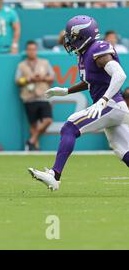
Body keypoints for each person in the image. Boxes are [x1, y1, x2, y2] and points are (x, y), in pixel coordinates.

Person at [29, 15, 129, 191]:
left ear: (83, 35)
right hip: (112, 106)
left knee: (70, 126)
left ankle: (55, 175)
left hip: (111, 104)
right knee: (123, 150)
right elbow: (91, 81)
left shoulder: (98, 49)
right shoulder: (85, 54)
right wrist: (66, 91)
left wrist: (104, 100)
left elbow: (120, 75)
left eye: (72, 37)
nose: (69, 40)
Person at [16, 41, 54, 151]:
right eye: (29, 49)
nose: (31, 52)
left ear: (36, 50)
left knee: (48, 120)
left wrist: (42, 78)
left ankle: (31, 140)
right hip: (29, 98)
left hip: (43, 95)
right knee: (33, 124)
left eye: (33, 49)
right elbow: (18, 81)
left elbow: (51, 77)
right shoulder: (21, 65)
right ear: (27, 51)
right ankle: (35, 147)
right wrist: (29, 79)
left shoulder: (44, 63)